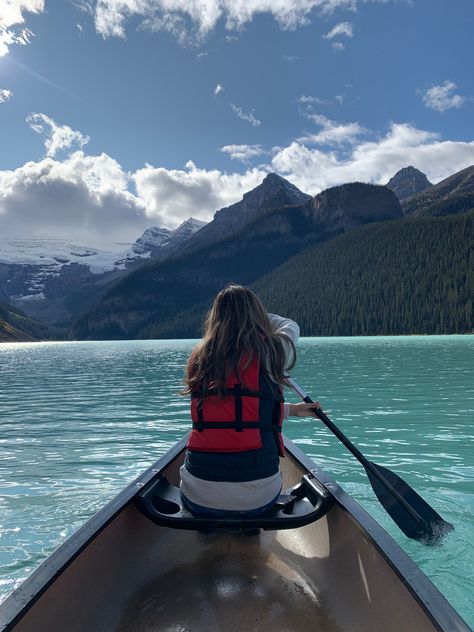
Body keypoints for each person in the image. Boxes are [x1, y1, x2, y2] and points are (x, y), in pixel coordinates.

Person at [180, 284, 320, 517]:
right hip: (257, 498)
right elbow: (290, 326)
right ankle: (250, 533)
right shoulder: (273, 351)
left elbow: (227, 409)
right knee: (256, 497)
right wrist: (254, 316)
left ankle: (209, 536)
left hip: (198, 497)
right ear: (255, 315)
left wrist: (292, 410)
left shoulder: (199, 356)